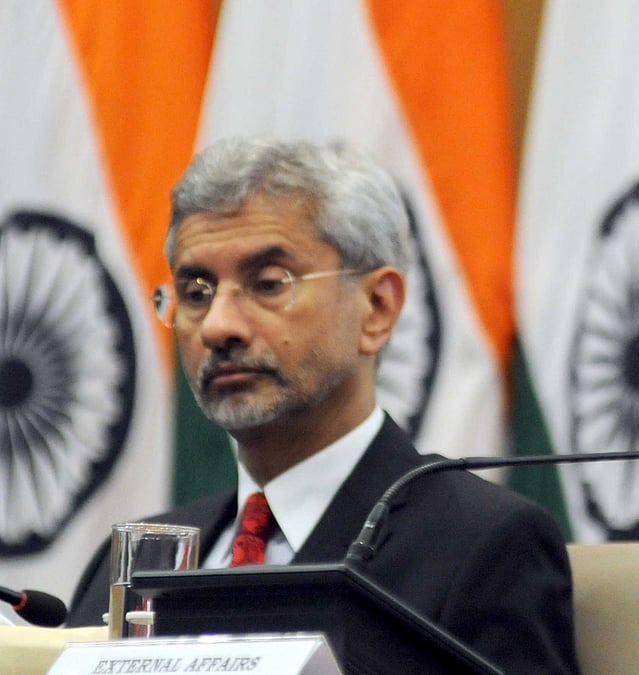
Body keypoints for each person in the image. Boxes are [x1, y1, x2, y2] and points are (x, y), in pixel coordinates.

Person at [66, 136, 580, 674]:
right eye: (196, 292)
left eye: (268, 283)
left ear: (377, 308)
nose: (218, 326)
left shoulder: (480, 546)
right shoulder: (131, 564)